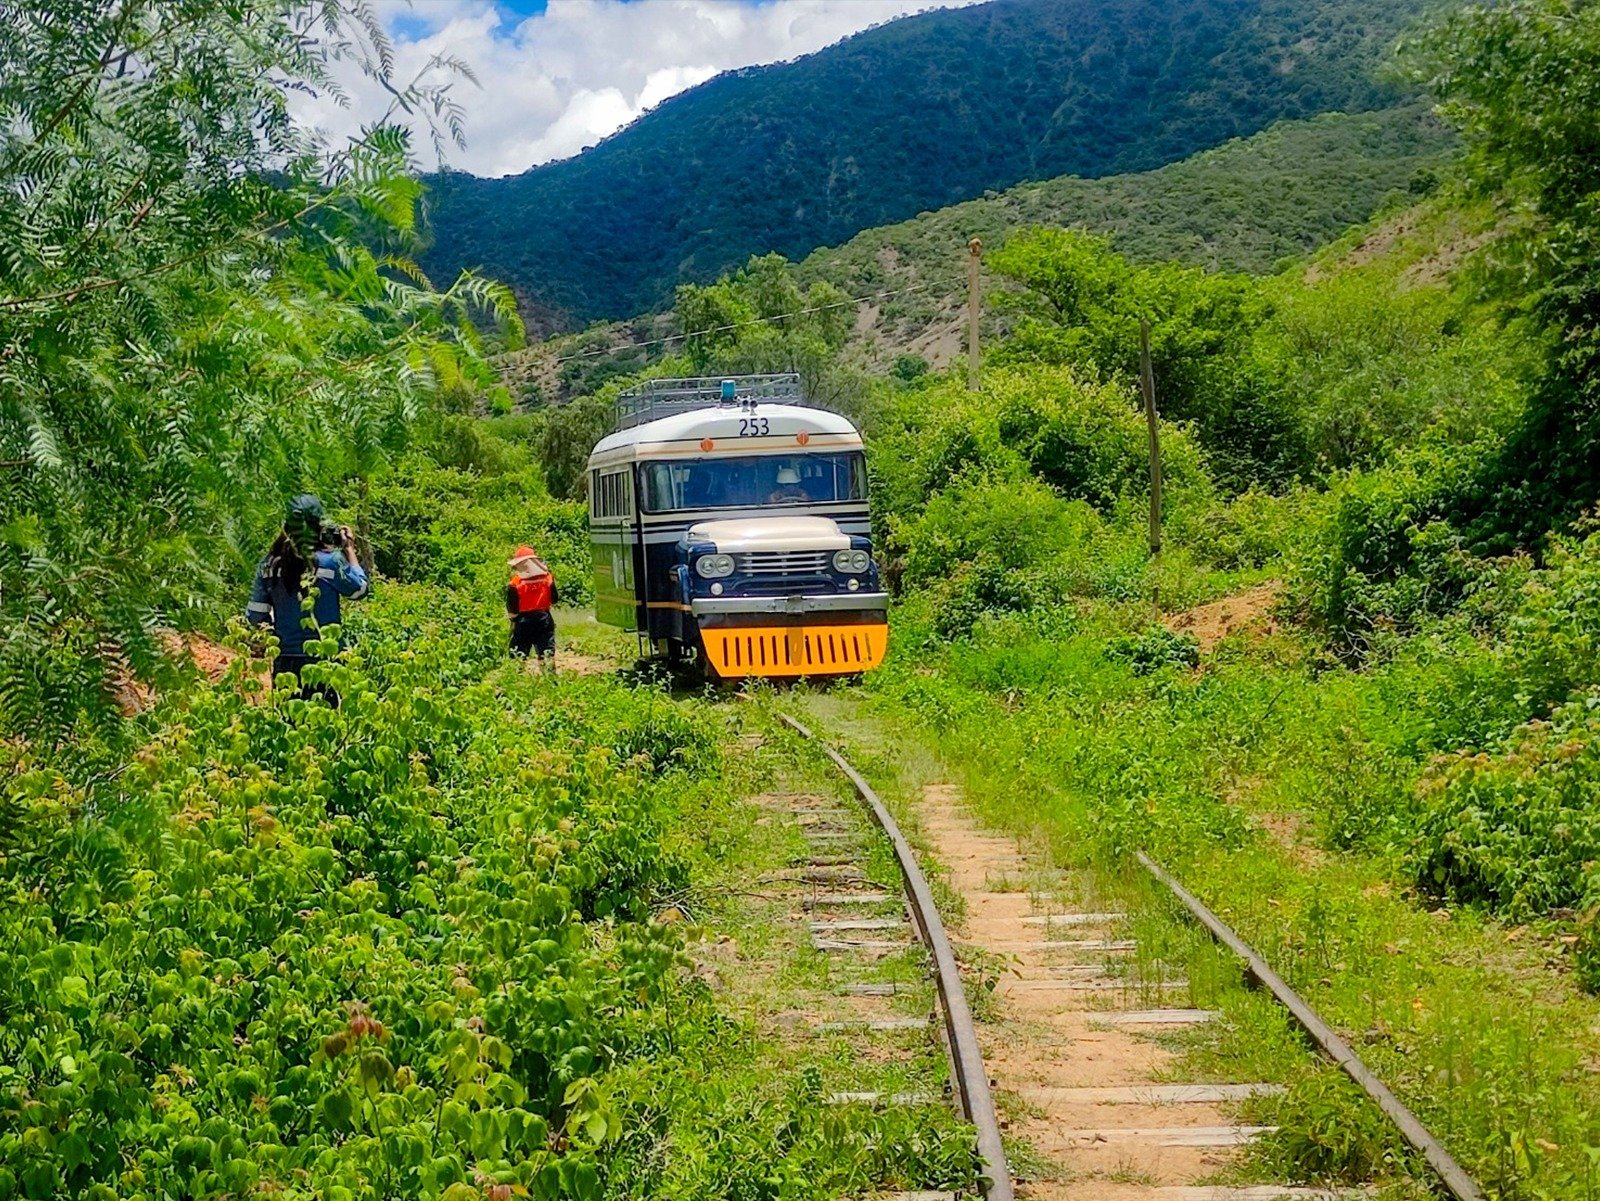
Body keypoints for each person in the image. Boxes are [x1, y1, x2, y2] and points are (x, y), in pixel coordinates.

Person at [246, 494, 370, 699]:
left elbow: (255, 615)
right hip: (325, 657)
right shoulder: (330, 562)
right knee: (323, 724)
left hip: (285, 660)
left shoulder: (269, 564)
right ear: (317, 527)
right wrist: (349, 549)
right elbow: (360, 589)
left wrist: (277, 635)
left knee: (290, 724)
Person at [506, 545, 559, 671]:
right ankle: (550, 681)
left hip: (523, 622)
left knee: (518, 653)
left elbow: (512, 608)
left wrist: (513, 620)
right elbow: (555, 599)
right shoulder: (548, 578)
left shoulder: (515, 583)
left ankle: (515, 680)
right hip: (544, 619)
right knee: (546, 652)